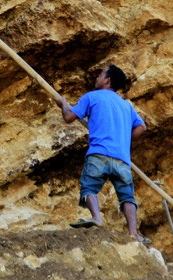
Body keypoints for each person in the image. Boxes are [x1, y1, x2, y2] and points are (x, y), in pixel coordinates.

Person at [55, 64, 150, 244]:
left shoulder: (92, 97)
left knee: (89, 187)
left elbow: (68, 117)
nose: (97, 77)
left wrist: (64, 104)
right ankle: (133, 233)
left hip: (98, 154)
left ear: (107, 80)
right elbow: (142, 127)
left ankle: (97, 217)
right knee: (127, 197)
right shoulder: (126, 106)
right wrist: (123, 141)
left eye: (100, 74)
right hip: (122, 160)